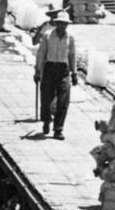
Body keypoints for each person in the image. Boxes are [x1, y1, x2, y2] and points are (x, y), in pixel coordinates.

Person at [33, 11, 78, 140]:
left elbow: (72, 55)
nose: (62, 26)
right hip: (49, 68)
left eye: (64, 24)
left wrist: (74, 73)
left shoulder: (71, 37)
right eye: (60, 24)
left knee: (63, 100)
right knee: (46, 99)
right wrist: (37, 71)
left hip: (63, 70)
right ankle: (46, 121)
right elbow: (41, 54)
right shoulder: (48, 36)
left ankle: (58, 129)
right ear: (56, 24)